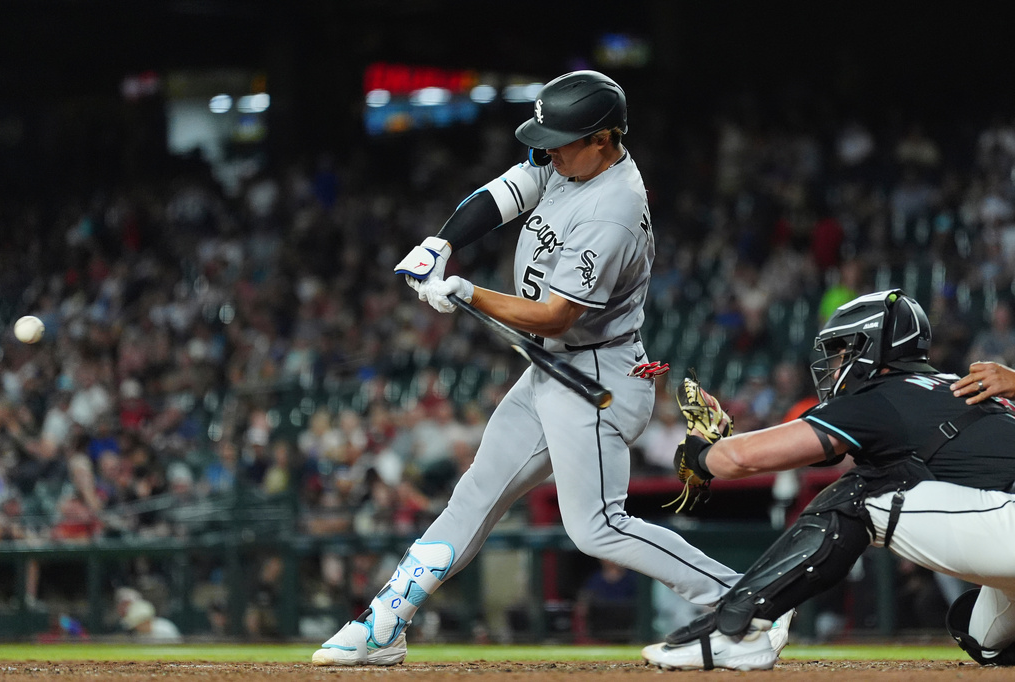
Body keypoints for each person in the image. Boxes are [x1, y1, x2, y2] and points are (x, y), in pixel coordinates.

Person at [312, 70, 790, 665]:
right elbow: (502, 195)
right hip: (553, 372)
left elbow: (557, 316)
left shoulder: (613, 206)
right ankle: (387, 621)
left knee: (595, 528)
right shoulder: (570, 160)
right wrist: (443, 242)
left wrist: (469, 293)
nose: (548, 147)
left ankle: (746, 600)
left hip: (594, 377)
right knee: (474, 495)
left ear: (604, 138)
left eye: (563, 137)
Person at [642, 289, 1015, 670]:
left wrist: (702, 453)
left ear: (870, 347)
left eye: (843, 349)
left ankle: (738, 631)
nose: (835, 364)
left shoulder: (881, 397)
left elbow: (741, 459)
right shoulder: (969, 389)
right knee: (981, 635)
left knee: (861, 496)